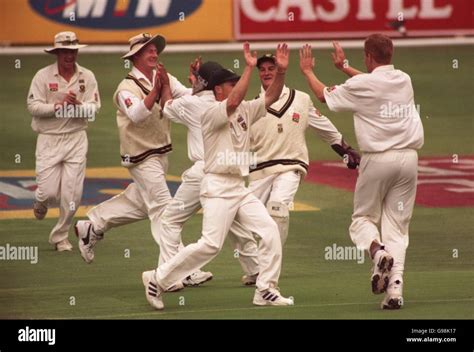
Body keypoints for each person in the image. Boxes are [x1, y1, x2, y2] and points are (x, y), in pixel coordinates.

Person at [142, 42, 294, 309]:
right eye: (229, 83)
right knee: (210, 245)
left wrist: (280, 72)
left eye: (236, 82)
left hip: (239, 187)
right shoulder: (213, 112)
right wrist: (248, 67)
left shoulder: (244, 109)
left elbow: (270, 97)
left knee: (269, 230)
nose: (234, 87)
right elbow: (234, 100)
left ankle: (266, 289)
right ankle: (157, 279)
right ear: (217, 90)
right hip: (217, 186)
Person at [74, 33, 210, 289]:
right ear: (135, 56)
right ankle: (180, 271)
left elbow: (190, 96)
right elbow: (136, 114)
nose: (154, 53)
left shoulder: (163, 76)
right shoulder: (125, 88)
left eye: (155, 49)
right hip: (139, 156)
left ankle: (92, 226)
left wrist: (198, 80)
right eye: (148, 50)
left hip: (160, 153)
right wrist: (157, 91)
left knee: (139, 202)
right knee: (163, 208)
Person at [299, 34, 424, 309]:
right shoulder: (403, 79)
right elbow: (373, 86)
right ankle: (395, 291)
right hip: (409, 161)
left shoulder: (361, 85)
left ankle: (377, 253)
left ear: (368, 57)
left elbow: (322, 95)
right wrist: (345, 68)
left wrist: (308, 70)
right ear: (390, 54)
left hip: (378, 160)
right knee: (398, 229)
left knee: (362, 219)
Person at [229, 54, 360, 286]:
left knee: (278, 209)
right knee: (231, 218)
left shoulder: (301, 99)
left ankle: (270, 274)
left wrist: (345, 150)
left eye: (272, 68)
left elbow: (324, 127)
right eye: (263, 69)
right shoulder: (252, 107)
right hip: (259, 172)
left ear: (280, 70)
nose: (267, 72)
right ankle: (255, 268)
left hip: (290, 167)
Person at [153, 60, 259, 284]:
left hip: (204, 173)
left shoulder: (193, 103)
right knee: (232, 223)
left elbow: (167, 105)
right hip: (229, 173)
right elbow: (188, 91)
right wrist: (197, 78)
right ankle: (256, 268)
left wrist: (163, 85)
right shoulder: (224, 102)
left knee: (170, 221)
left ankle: (171, 278)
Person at [27, 31, 101, 251]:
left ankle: (60, 236)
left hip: (76, 138)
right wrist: (58, 106)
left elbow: (94, 109)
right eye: (65, 51)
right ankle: (39, 200)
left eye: (73, 51)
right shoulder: (42, 76)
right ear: (57, 53)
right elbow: (32, 106)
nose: (70, 55)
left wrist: (78, 105)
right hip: (49, 139)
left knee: (72, 194)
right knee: (49, 193)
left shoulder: (87, 76)